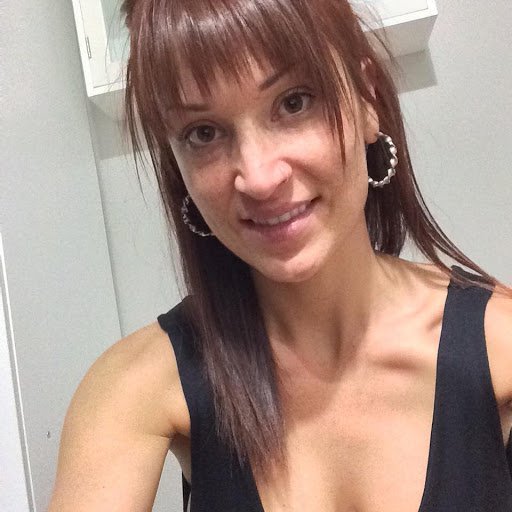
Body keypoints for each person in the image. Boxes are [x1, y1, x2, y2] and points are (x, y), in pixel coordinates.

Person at [49, 1, 512, 510]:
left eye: (294, 103)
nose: (259, 177)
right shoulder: (135, 386)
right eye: (204, 133)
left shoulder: (501, 345)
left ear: (367, 100)